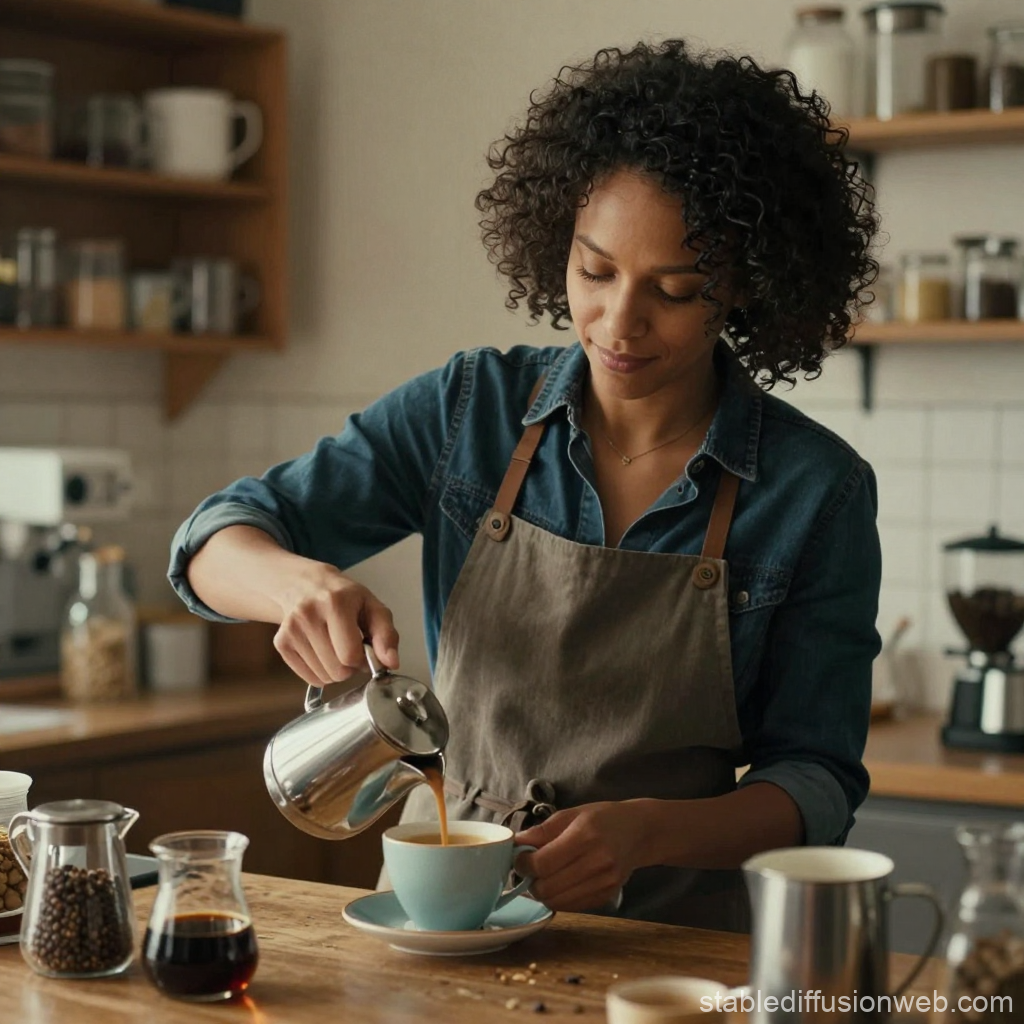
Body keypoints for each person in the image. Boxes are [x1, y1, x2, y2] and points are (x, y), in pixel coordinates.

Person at [169, 38, 882, 932]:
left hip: (676, 949)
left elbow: (817, 781)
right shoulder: (470, 411)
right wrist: (297, 585)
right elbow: (210, 541)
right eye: (595, 271)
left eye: (677, 288)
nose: (620, 322)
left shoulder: (816, 490)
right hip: (458, 929)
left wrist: (650, 832)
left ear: (745, 288)